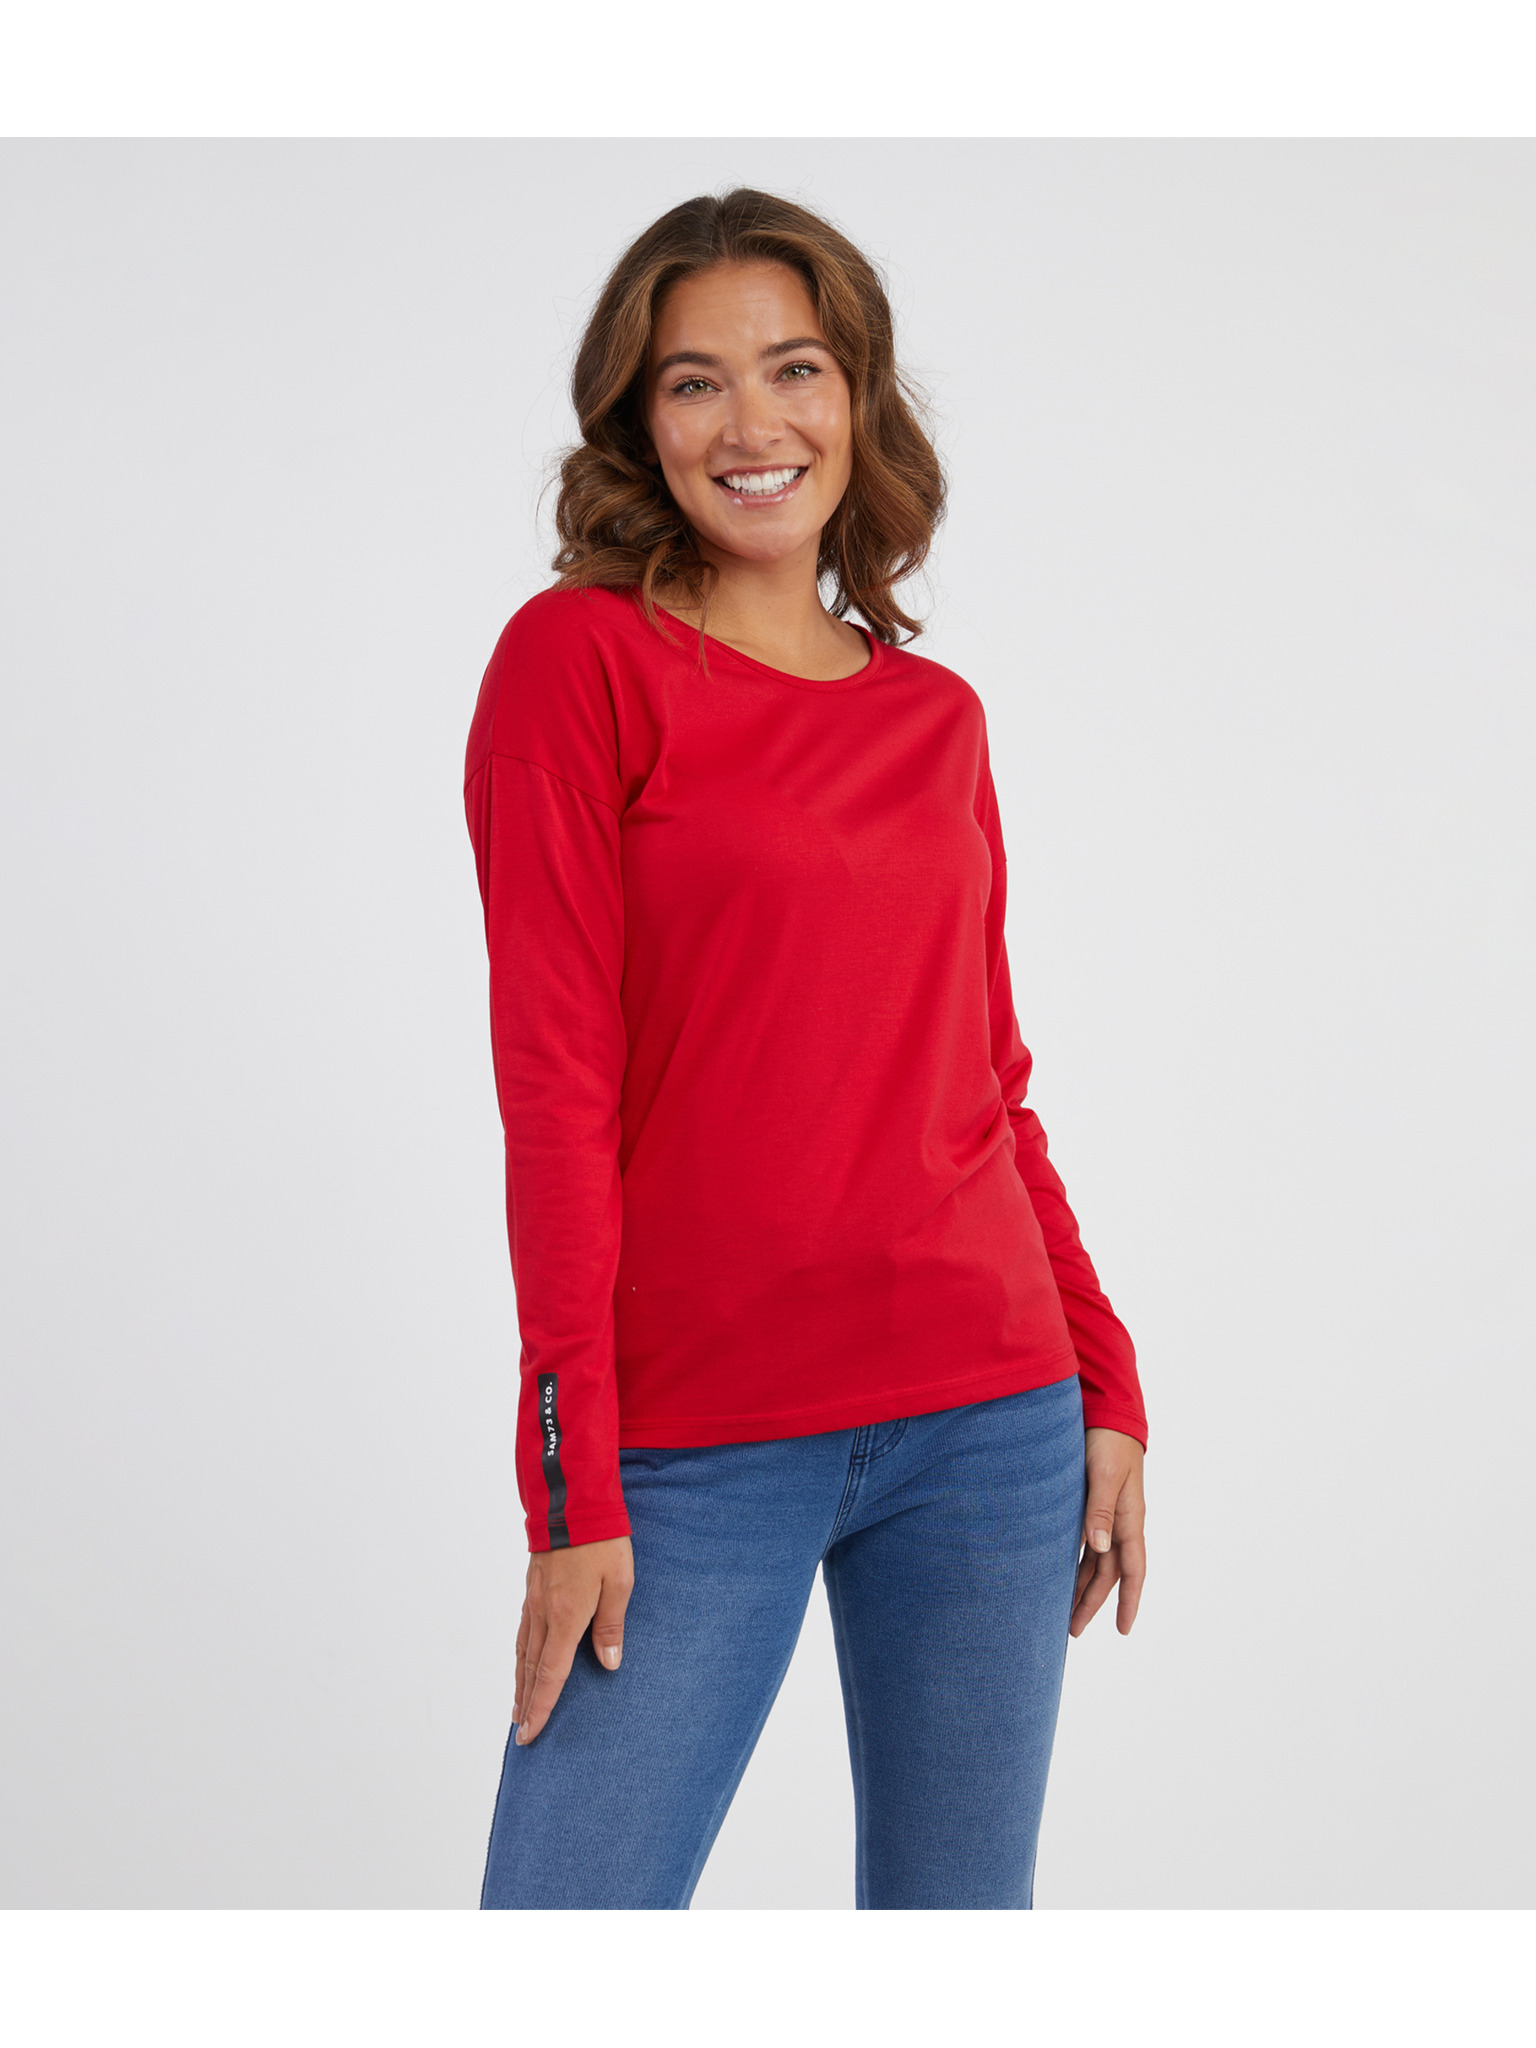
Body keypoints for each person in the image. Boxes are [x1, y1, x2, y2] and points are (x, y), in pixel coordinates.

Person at [463, 188, 1148, 1911]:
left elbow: (985, 1084)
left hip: (988, 1416)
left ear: (858, 399)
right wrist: (571, 1482)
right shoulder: (575, 665)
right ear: (638, 420)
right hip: (694, 1440)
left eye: (796, 369)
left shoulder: (935, 719)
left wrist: (1106, 1374)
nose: (751, 424)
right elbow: (554, 1090)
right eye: (694, 382)